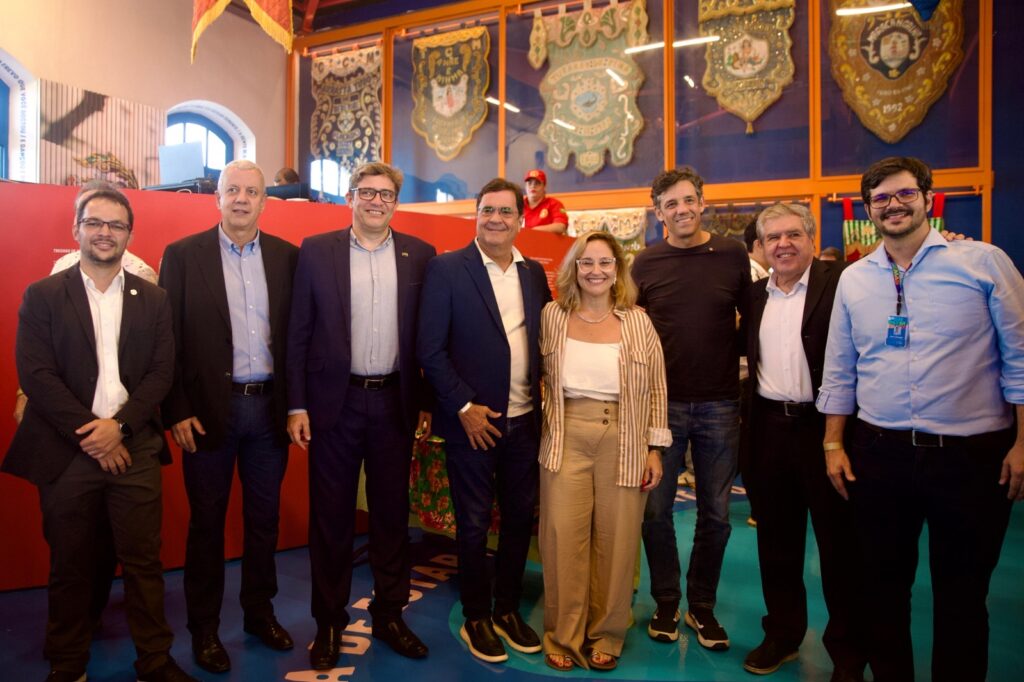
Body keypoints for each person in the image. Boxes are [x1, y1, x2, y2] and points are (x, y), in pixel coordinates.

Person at [817, 156, 1024, 682]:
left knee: (963, 594)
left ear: (928, 198)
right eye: (881, 198)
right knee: (882, 590)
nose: (894, 205)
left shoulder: (984, 263)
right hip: (880, 455)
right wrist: (833, 444)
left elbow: (1021, 358)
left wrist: (1023, 443)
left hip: (971, 459)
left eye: (905, 193)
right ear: (868, 210)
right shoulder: (853, 280)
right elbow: (840, 367)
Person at [3, 188, 197, 682]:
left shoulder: (153, 299)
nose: (105, 232)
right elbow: (37, 375)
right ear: (77, 229)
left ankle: (155, 660)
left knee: (143, 562)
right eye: (95, 223)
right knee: (71, 565)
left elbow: (161, 372)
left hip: (134, 447)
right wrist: (93, 436)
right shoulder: (44, 295)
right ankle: (68, 664)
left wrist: (120, 428)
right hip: (67, 452)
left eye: (116, 225)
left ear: (129, 234)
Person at [286, 162, 436, 669]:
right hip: (335, 403)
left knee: (392, 517)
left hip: (395, 403)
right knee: (331, 519)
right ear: (350, 197)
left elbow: (428, 338)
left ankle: (390, 616)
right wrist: (297, 403)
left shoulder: (420, 255)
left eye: (386, 194)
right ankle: (329, 623)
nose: (376, 201)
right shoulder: (316, 250)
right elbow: (298, 331)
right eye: (367, 192)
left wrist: (426, 403)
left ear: (396, 202)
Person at [159, 160, 299, 673]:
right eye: (232, 190)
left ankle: (260, 614)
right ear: (216, 197)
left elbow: (297, 338)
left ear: (265, 201)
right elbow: (166, 339)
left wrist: (297, 405)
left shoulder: (288, 257)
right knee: (207, 525)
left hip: (269, 410)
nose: (241, 199)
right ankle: (204, 630)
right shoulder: (182, 255)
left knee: (264, 521)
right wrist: (176, 409)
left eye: (252, 191)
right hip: (206, 414)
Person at [418, 178, 552, 664]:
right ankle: (476, 616)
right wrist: (464, 407)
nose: (496, 219)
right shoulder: (447, 269)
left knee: (518, 521)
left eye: (505, 211)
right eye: (487, 210)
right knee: (473, 524)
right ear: (475, 215)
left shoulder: (533, 273)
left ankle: (507, 609)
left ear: (520, 218)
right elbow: (430, 349)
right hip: (471, 423)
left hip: (525, 422)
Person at [740, 203, 866, 680]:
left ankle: (847, 653)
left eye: (793, 234)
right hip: (769, 430)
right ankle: (783, 634)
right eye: (773, 237)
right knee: (776, 542)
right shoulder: (754, 295)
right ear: (761, 246)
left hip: (828, 431)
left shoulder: (844, 282)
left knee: (840, 548)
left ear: (811, 237)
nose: (783, 244)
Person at [538, 231, 670, 672]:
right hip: (565, 436)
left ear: (618, 270)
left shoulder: (638, 322)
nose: (595, 271)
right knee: (562, 538)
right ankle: (563, 634)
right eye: (587, 262)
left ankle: (607, 634)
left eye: (605, 262)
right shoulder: (552, 316)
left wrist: (654, 448)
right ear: (574, 269)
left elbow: (657, 387)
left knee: (617, 541)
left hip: (625, 438)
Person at [631, 167, 750, 650]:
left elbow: (754, 319)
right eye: (670, 204)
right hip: (662, 407)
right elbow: (630, 328)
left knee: (716, 514)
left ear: (702, 202)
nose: (681, 210)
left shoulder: (733, 254)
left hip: (721, 402)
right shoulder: (645, 262)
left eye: (687, 201)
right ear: (658, 213)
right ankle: (666, 602)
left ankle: (702, 605)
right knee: (655, 511)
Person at [523, 169, 568, 234]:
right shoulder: (518, 204)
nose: (533, 186)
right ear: (525, 186)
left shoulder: (556, 204)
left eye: (537, 183)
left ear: (544, 186)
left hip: (546, 240)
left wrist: (533, 232)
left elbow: (561, 226)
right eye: (529, 183)